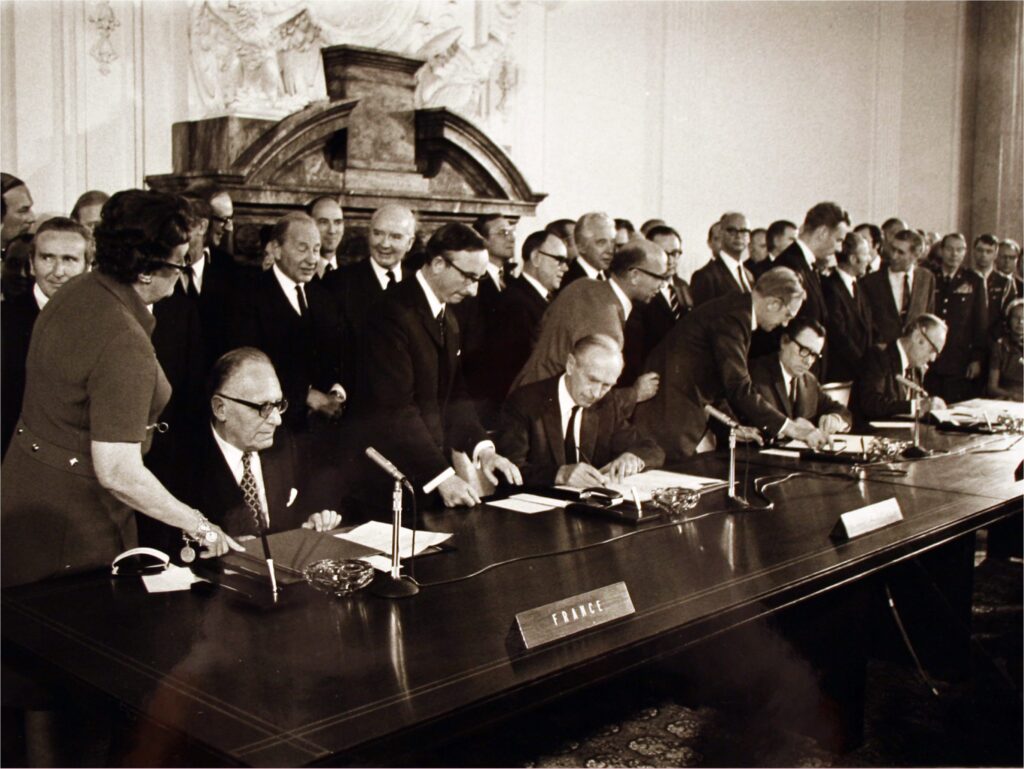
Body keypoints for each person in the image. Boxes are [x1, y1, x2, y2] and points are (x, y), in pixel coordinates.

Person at [1, 189, 240, 588]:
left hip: (23, 501)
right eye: (180, 262)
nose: (183, 272)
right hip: (72, 527)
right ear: (146, 270)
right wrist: (201, 526)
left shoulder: (78, 290)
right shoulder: (122, 341)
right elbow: (117, 471)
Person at [358, 222, 522, 508]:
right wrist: (442, 476)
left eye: (479, 279)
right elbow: (396, 409)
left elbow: (455, 396)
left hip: (427, 474)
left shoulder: (448, 316)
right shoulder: (391, 313)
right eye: (468, 277)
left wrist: (484, 451)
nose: (473, 290)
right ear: (437, 263)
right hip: (388, 481)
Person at [635, 267, 833, 461]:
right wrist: (794, 429)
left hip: (676, 407)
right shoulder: (733, 319)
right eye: (787, 315)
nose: (784, 324)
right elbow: (738, 386)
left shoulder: (737, 310)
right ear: (773, 304)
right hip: (669, 412)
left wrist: (733, 426)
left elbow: (718, 381)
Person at [188, 348, 344, 538]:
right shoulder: (186, 464)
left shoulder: (283, 445)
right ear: (220, 408)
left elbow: (288, 522)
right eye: (264, 407)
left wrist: (307, 527)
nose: (276, 420)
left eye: (278, 405)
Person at [222, 212, 346, 437]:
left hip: (322, 434)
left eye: (316, 249)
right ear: (276, 249)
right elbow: (245, 368)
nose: (311, 259)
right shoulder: (246, 297)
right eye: (302, 248)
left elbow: (337, 355)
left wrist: (336, 391)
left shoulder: (323, 298)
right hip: (272, 430)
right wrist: (305, 395)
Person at [510, 238, 667, 400]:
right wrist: (635, 394)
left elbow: (539, 334)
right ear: (634, 275)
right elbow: (590, 394)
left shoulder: (581, 286)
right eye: (659, 277)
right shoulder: (607, 323)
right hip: (545, 410)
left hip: (523, 394)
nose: (662, 285)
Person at [497, 334, 664, 486]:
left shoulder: (606, 403)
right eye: (592, 380)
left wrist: (632, 457)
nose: (597, 393)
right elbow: (508, 469)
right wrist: (559, 475)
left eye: (607, 385)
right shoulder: (525, 401)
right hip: (533, 511)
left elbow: (652, 449)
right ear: (570, 365)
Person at [1, 218, 90, 456]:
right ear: (31, 264)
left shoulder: (104, 321)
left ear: (87, 266)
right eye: (47, 258)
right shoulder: (4, 320)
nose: (58, 272)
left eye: (69, 260)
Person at [467, 229, 569, 427]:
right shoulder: (513, 303)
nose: (565, 268)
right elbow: (511, 368)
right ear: (536, 258)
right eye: (559, 260)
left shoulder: (543, 299)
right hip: (517, 412)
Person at [749, 318, 852, 436]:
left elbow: (843, 412)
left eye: (814, 355)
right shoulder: (755, 374)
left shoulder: (809, 380)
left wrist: (835, 419)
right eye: (804, 350)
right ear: (784, 341)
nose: (808, 361)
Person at [925, 233, 987, 402]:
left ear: (965, 252)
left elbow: (980, 324)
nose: (954, 254)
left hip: (959, 358)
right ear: (942, 251)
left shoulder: (974, 280)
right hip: (930, 356)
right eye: (950, 249)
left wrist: (976, 359)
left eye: (959, 250)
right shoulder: (929, 277)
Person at [853, 314, 948, 424]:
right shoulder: (878, 356)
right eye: (933, 350)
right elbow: (871, 403)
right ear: (917, 337)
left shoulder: (915, 367)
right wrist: (916, 406)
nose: (933, 359)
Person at [774, 201, 850, 329]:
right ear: (822, 233)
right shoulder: (789, 266)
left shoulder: (807, 265)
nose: (840, 249)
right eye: (838, 240)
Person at [860, 229, 935, 347]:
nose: (894, 256)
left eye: (901, 252)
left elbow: (928, 317)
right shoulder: (871, 282)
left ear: (915, 255)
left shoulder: (926, 278)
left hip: (914, 352)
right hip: (881, 352)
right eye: (892, 249)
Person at [822, 231, 874, 383]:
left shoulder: (859, 286)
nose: (869, 259)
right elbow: (838, 333)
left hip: (860, 374)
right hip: (840, 373)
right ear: (853, 259)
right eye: (866, 254)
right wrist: (863, 364)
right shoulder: (829, 287)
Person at [641, 224, 694, 357]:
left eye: (675, 253)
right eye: (664, 253)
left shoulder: (683, 285)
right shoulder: (641, 289)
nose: (670, 260)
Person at [691, 211, 755, 307]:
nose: (738, 236)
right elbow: (702, 319)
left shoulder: (749, 275)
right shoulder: (705, 276)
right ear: (721, 234)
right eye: (732, 231)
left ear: (749, 238)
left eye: (744, 231)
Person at [972, 233, 1015, 337]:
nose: (984, 255)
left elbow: (1007, 315)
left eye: (989, 251)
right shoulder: (965, 279)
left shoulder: (1005, 282)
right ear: (973, 251)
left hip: (994, 339)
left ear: (996, 255)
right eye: (980, 250)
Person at [560, 212, 615, 287]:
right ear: (581, 247)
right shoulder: (567, 282)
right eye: (601, 243)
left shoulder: (614, 278)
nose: (610, 250)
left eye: (613, 242)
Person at [987, 298, 1023, 402]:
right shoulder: (1000, 346)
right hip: (1008, 400)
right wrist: (1013, 396)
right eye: (1016, 317)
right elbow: (992, 387)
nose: (1020, 322)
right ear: (1008, 320)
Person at [307, 195, 345, 274]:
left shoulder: (352, 274)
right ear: (308, 225)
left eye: (337, 222)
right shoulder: (295, 274)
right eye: (323, 222)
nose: (332, 230)